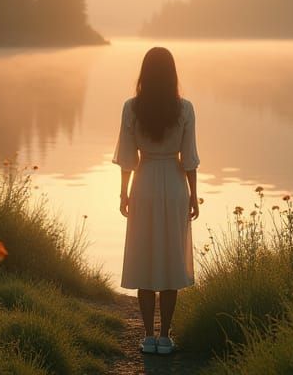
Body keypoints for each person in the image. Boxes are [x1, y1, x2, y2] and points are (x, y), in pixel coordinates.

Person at [114, 46, 199, 356]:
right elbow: (189, 159)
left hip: (145, 181)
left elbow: (127, 158)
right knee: (171, 259)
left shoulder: (131, 107)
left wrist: (124, 193)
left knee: (145, 255)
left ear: (144, 74)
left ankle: (148, 336)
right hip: (175, 185)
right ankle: (165, 337)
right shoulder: (185, 108)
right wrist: (193, 196)